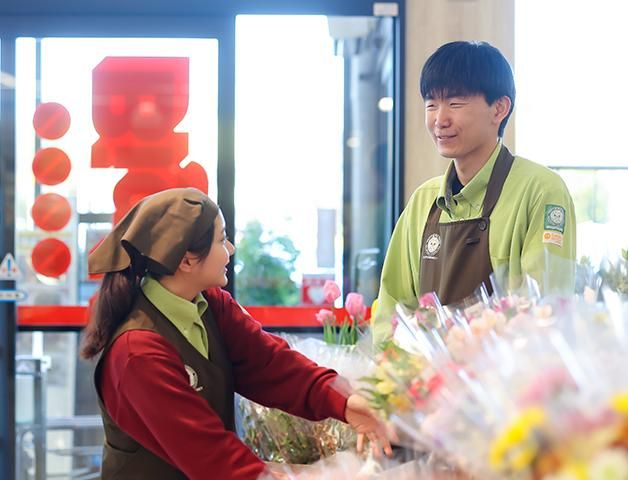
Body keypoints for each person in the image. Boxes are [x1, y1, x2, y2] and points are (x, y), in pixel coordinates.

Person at [81, 188, 391, 479]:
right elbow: (211, 457)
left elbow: (271, 365)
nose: (230, 249)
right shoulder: (138, 353)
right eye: (222, 239)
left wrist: (345, 402)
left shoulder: (210, 304)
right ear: (186, 259)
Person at [372, 41, 576, 345]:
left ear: (499, 108)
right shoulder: (423, 201)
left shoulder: (541, 191)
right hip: (425, 375)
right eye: (431, 104)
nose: (440, 119)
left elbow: (545, 312)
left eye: (455, 103)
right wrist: (396, 364)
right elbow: (392, 310)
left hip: (508, 375)